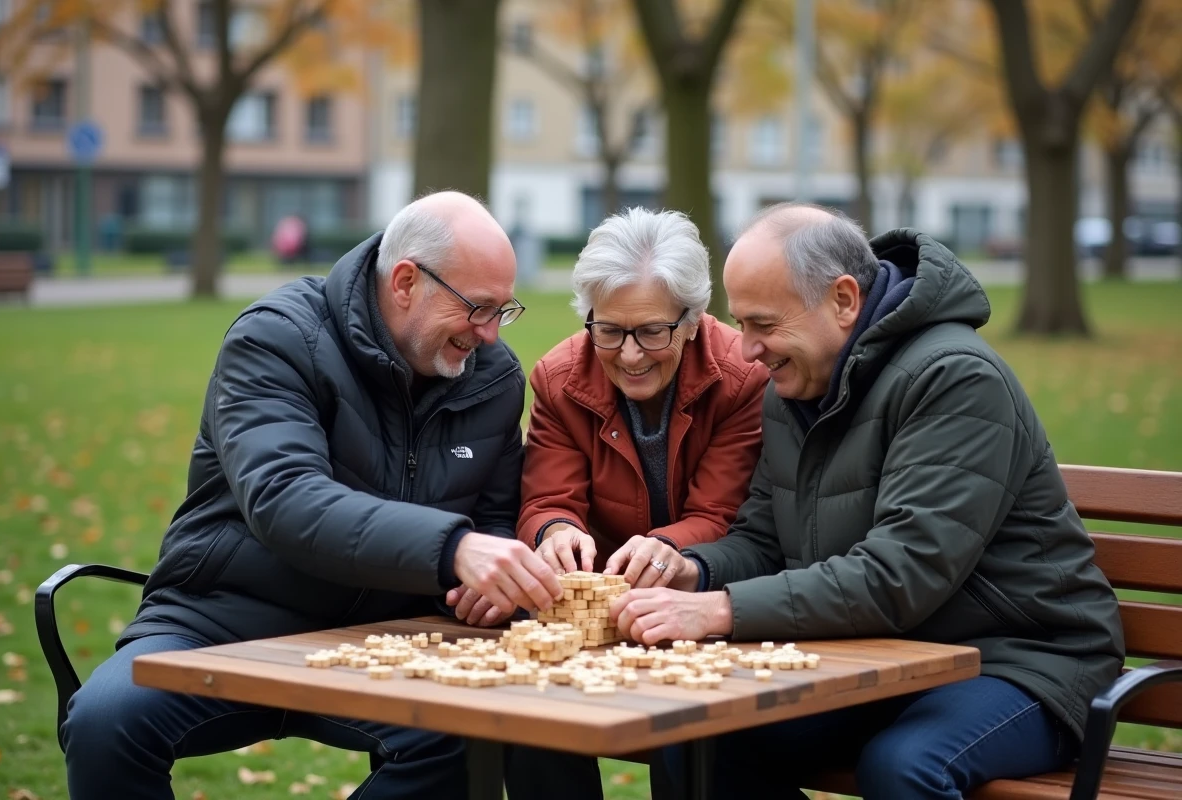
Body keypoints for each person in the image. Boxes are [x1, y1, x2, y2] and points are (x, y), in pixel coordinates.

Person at [609, 203, 1126, 799]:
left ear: (844, 300)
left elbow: (901, 574)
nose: (747, 350)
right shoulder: (795, 384)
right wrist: (691, 573)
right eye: (740, 324)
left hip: (1022, 663)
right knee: (695, 735)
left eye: (764, 324)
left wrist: (719, 610)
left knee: (904, 766)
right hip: (878, 658)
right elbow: (763, 541)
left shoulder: (955, 378)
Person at [62, 191, 564, 800]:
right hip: (225, 619)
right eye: (477, 309)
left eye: (502, 311)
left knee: (461, 740)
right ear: (406, 281)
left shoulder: (492, 380)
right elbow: (285, 498)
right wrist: (455, 549)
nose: (488, 335)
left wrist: (490, 583)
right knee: (102, 723)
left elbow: (495, 518)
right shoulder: (276, 339)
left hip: (391, 637)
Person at [504, 208, 767, 800]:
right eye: (609, 330)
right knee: (531, 721)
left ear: (693, 320)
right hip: (594, 615)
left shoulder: (741, 378)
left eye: (652, 331)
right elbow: (547, 497)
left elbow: (723, 515)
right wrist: (554, 533)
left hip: (698, 604)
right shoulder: (558, 378)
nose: (629, 354)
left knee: (685, 732)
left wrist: (669, 548)